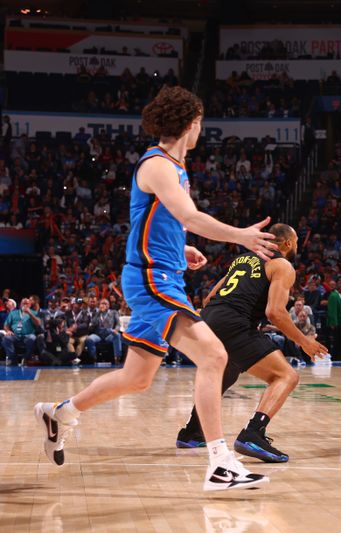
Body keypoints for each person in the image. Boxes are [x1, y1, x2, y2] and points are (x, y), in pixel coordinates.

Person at [34, 86, 279, 492]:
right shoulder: (158, 165)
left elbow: (156, 221)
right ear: (192, 123)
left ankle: (59, 413)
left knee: (137, 377)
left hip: (163, 272)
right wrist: (240, 236)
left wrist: (180, 248)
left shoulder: (172, 167)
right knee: (215, 355)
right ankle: (219, 462)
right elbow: (189, 214)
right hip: (152, 280)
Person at [176, 224, 328, 462]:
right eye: (296, 241)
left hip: (208, 320)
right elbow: (275, 312)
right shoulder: (282, 265)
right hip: (234, 322)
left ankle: (193, 432)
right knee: (286, 376)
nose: (298, 246)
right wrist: (303, 341)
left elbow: (209, 297)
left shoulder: (243, 260)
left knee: (228, 371)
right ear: (287, 243)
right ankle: (253, 432)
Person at [3, 297, 41, 365]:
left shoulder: (34, 313)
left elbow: (38, 323)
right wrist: (8, 331)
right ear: (20, 304)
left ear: (30, 305)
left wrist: (30, 313)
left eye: (27, 303)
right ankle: (13, 359)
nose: (25, 305)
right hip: (15, 335)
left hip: (28, 335)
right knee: (6, 338)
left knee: (32, 338)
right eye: (24, 303)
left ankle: (26, 358)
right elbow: (6, 325)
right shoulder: (13, 313)